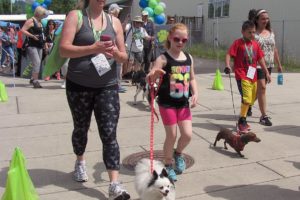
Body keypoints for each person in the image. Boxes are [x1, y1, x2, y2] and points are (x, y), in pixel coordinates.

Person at [59, 0, 130, 199]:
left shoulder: (114, 22)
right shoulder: (76, 16)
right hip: (78, 85)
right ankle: (80, 162)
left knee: (109, 133)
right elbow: (64, 49)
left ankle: (114, 184)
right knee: (81, 128)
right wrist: (93, 48)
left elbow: (124, 57)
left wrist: (115, 53)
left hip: (107, 86)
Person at [146, 23, 198, 182]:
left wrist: (196, 92)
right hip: (167, 104)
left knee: (187, 135)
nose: (180, 42)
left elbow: (192, 78)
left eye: (184, 40)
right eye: (177, 39)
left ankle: (178, 153)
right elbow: (150, 77)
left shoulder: (188, 58)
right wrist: (154, 74)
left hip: (183, 104)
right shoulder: (163, 58)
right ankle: (168, 163)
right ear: (170, 37)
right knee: (172, 135)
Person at [225, 20, 271, 132]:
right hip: (242, 75)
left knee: (252, 97)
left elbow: (260, 59)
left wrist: (266, 72)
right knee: (246, 98)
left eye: (254, 32)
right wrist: (227, 65)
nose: (252, 35)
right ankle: (242, 121)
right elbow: (229, 54)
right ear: (243, 32)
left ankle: (244, 116)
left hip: (253, 76)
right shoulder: (238, 43)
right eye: (249, 32)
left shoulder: (255, 44)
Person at [248, 9, 283, 126]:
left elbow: (274, 49)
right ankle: (264, 116)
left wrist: (279, 64)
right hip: (256, 65)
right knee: (262, 88)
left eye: (267, 18)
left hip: (269, 65)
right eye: (263, 18)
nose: (265, 20)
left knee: (259, 91)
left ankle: (248, 104)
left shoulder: (270, 32)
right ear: (257, 20)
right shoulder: (253, 34)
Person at [21, 6, 48, 88]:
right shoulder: (31, 20)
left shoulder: (40, 21)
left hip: (39, 45)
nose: (44, 15)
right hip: (32, 45)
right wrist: (32, 36)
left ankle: (33, 78)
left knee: (37, 63)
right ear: (39, 13)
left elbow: (43, 34)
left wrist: (45, 44)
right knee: (37, 62)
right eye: (43, 13)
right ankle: (35, 81)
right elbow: (22, 30)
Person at [108, 3, 126, 93]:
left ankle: (117, 84)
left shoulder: (115, 20)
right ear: (114, 10)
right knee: (114, 67)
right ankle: (116, 85)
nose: (119, 12)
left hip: (115, 48)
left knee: (118, 66)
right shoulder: (110, 20)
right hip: (111, 48)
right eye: (118, 10)